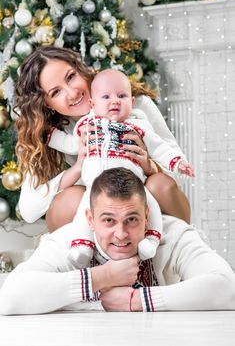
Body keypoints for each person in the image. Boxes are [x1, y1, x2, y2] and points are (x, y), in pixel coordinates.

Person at [0, 167, 234, 315]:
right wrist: (102, 277)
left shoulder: (173, 234)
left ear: (146, 216)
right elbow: (9, 298)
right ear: (90, 220)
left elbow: (227, 288)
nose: (121, 234)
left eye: (131, 219)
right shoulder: (68, 241)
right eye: (109, 220)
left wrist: (138, 300)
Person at [15, 46, 191, 233]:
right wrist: (78, 169)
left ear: (81, 69)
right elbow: (28, 209)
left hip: (141, 200)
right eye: (55, 92)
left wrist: (149, 166)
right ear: (46, 104)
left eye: (71, 77)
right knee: (68, 200)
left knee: (160, 185)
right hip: (96, 214)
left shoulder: (133, 104)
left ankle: (174, 251)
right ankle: (87, 257)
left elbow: (181, 173)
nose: (72, 93)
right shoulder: (49, 134)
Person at [48, 69, 194, 266]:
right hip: (96, 185)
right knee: (86, 208)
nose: (114, 101)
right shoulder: (87, 125)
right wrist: (50, 137)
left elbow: (159, 146)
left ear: (131, 101)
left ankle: (151, 240)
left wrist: (176, 162)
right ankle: (82, 246)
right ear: (94, 104)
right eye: (106, 97)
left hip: (133, 183)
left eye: (122, 96)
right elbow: (71, 144)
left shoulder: (137, 124)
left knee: (149, 206)